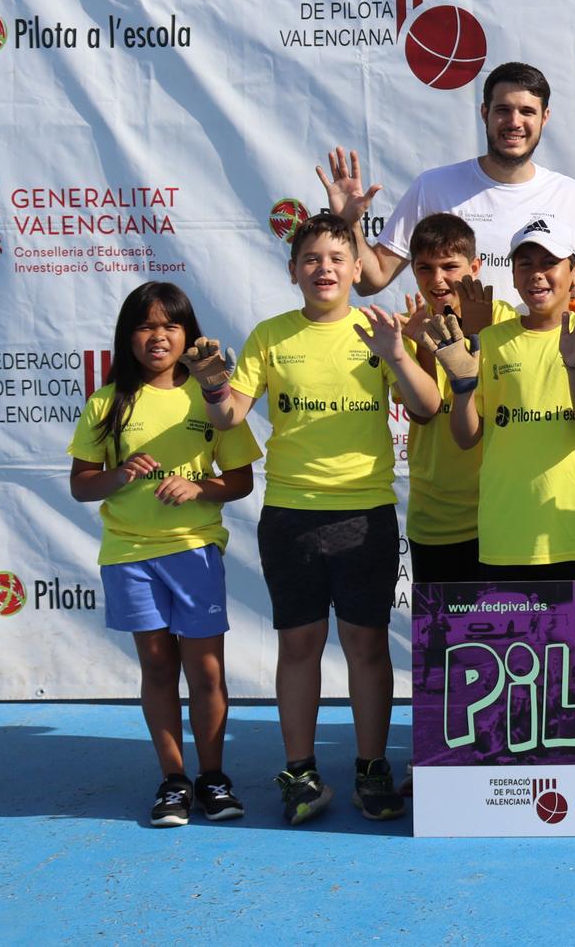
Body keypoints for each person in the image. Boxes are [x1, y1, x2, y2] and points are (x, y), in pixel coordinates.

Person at [188, 212, 440, 825]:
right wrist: (214, 385)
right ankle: (300, 773)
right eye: (311, 259)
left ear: (358, 269)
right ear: (292, 270)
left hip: (366, 513)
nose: (324, 269)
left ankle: (371, 768)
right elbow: (228, 419)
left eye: (336, 258)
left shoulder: (380, 327)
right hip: (290, 517)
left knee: (366, 645)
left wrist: (397, 355)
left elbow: (429, 408)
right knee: (298, 645)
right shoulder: (271, 335)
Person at [68, 283, 260, 827]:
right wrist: (119, 474)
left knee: (205, 671)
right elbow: (82, 486)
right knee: (156, 667)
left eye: (170, 326)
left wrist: (200, 489)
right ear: (128, 336)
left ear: (188, 334)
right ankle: (173, 781)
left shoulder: (212, 398)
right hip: (128, 554)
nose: (159, 337)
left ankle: (212, 778)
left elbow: (241, 480)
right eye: (146, 326)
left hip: (193, 552)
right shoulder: (107, 401)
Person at [316, 60, 575, 297]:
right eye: (503, 110)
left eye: (527, 112)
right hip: (458, 382)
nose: (514, 123)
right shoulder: (434, 186)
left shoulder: (570, 197)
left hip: (541, 389)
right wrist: (350, 223)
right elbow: (372, 281)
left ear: (544, 118)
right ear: (484, 114)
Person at [438, 218, 575, 579]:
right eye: (526, 265)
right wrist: (463, 390)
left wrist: (574, 363)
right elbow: (465, 436)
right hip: (507, 535)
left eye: (549, 263)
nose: (537, 274)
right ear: (515, 276)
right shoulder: (487, 340)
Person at [399, 212, 513, 585]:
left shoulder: (502, 320)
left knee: (510, 639)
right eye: (425, 268)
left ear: (475, 266)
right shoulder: (405, 328)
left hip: (503, 513)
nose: (438, 280)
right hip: (436, 519)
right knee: (443, 642)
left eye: (450, 266)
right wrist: (421, 348)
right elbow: (422, 413)